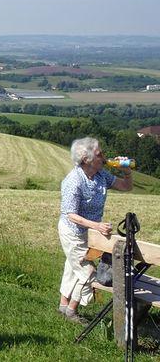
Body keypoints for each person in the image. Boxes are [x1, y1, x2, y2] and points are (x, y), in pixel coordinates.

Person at [58, 137, 133, 325]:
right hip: (73, 232)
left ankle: (63, 306)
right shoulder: (73, 180)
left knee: (73, 268)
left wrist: (126, 172)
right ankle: (71, 311)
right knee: (88, 271)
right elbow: (70, 214)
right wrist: (97, 225)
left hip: (91, 234)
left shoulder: (101, 175)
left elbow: (126, 187)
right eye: (100, 154)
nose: (104, 157)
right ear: (87, 159)